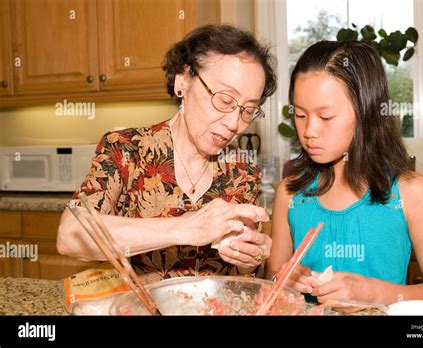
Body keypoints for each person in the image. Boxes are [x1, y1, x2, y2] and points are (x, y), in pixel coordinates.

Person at [57, 24, 277, 280]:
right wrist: (187, 227)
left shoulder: (241, 171)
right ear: (183, 81)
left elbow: (243, 276)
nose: (234, 123)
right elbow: (70, 235)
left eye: (248, 110)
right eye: (225, 100)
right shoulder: (126, 149)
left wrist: (249, 261)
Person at [266, 40, 423, 307]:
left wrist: (374, 293)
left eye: (325, 117)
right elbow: (273, 281)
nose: (309, 130)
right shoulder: (289, 194)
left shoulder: (411, 193)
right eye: (300, 115)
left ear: (366, 112)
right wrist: (287, 282)